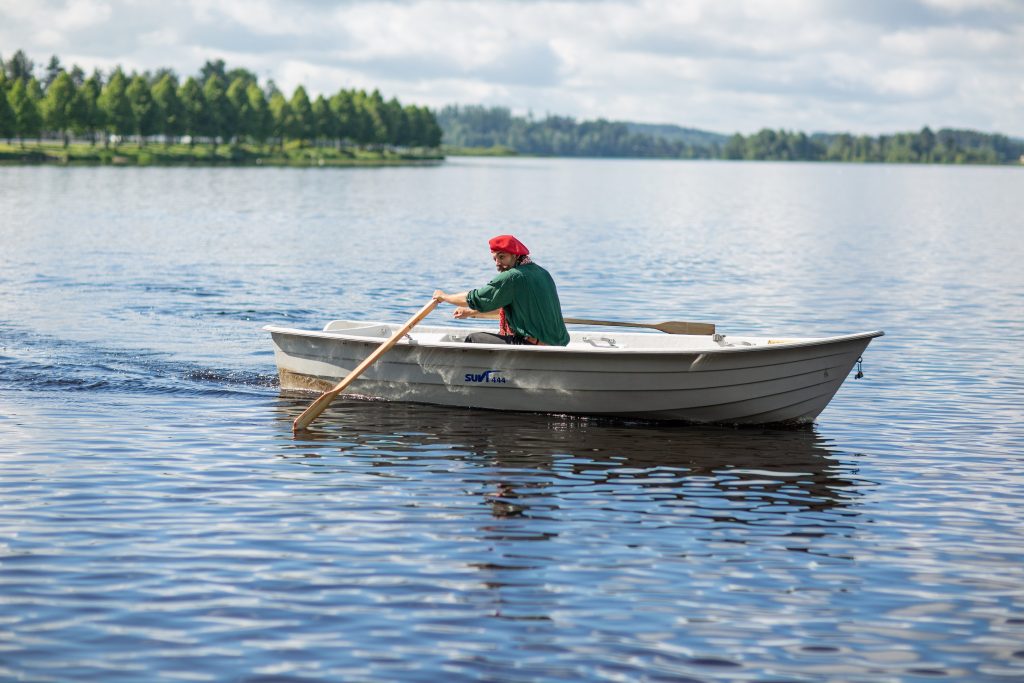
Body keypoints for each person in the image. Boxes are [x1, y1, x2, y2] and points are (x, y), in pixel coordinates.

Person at [433, 234, 570, 346]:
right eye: (495, 258)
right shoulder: (541, 272)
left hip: (532, 345)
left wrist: (444, 297)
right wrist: (469, 312)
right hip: (557, 344)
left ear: (515, 255)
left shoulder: (512, 277)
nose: (498, 263)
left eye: (502, 256)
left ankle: (481, 378)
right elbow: (510, 307)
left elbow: (475, 298)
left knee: (473, 339)